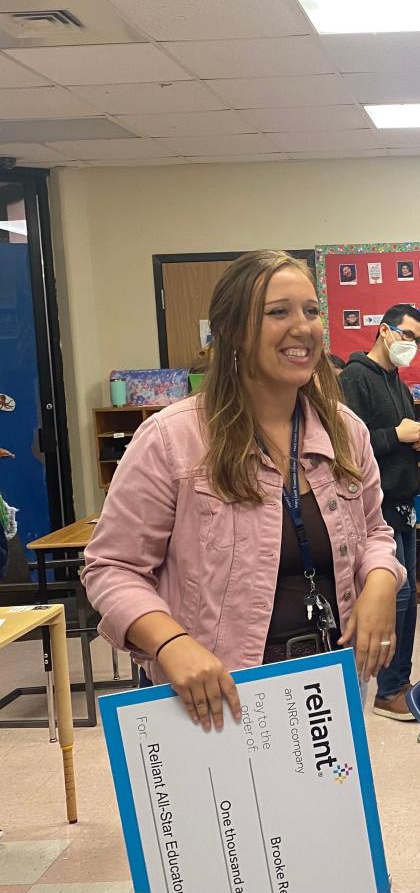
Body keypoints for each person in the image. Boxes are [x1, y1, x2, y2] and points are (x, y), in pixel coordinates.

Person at [82, 250, 403, 730]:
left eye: (312, 311)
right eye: (278, 312)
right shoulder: (173, 438)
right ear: (232, 330)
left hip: (329, 682)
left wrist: (379, 583)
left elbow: (375, 530)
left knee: (319, 807)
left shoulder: (345, 431)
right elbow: (112, 567)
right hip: (214, 693)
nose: (304, 327)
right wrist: (170, 644)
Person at [338, 303, 420, 721]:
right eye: (408, 336)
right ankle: (388, 690)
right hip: (378, 507)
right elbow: (346, 447)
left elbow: (400, 438)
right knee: (399, 594)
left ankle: (400, 682)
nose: (414, 346)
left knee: (407, 599)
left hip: (404, 502)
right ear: (384, 331)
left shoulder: (397, 381)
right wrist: (396, 435)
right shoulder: (355, 378)